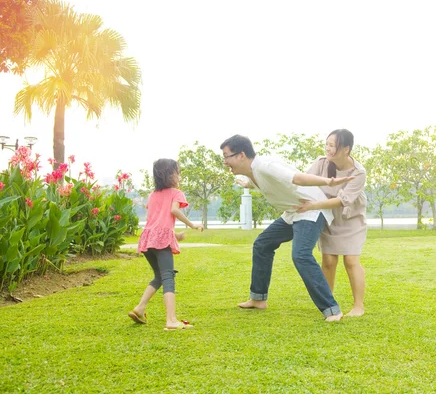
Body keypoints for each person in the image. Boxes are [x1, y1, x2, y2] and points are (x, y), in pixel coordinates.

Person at [220, 134, 354, 322]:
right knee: (262, 245)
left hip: (310, 210)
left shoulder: (266, 166)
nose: (225, 162)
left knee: (301, 254)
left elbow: (297, 178)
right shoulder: (255, 170)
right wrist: (248, 184)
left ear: (241, 155)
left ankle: (332, 309)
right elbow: (267, 181)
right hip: (293, 212)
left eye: (227, 156)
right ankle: (258, 299)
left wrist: (327, 182)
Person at [296, 129, 367, 317]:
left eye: (332, 145)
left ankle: (358, 306)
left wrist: (314, 205)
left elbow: (343, 200)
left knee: (351, 260)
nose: (328, 149)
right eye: (327, 144)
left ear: (346, 149)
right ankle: (328, 302)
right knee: (328, 260)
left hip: (350, 217)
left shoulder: (358, 172)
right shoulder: (321, 163)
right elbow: (303, 180)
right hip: (328, 215)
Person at [128, 158, 203, 331]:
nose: (179, 175)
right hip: (159, 239)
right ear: (170, 175)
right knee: (168, 276)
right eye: (177, 172)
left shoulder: (153, 195)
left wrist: (175, 236)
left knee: (159, 276)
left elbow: (156, 222)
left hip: (148, 238)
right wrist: (192, 225)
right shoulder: (176, 193)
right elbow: (173, 211)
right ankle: (171, 320)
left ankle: (139, 309)